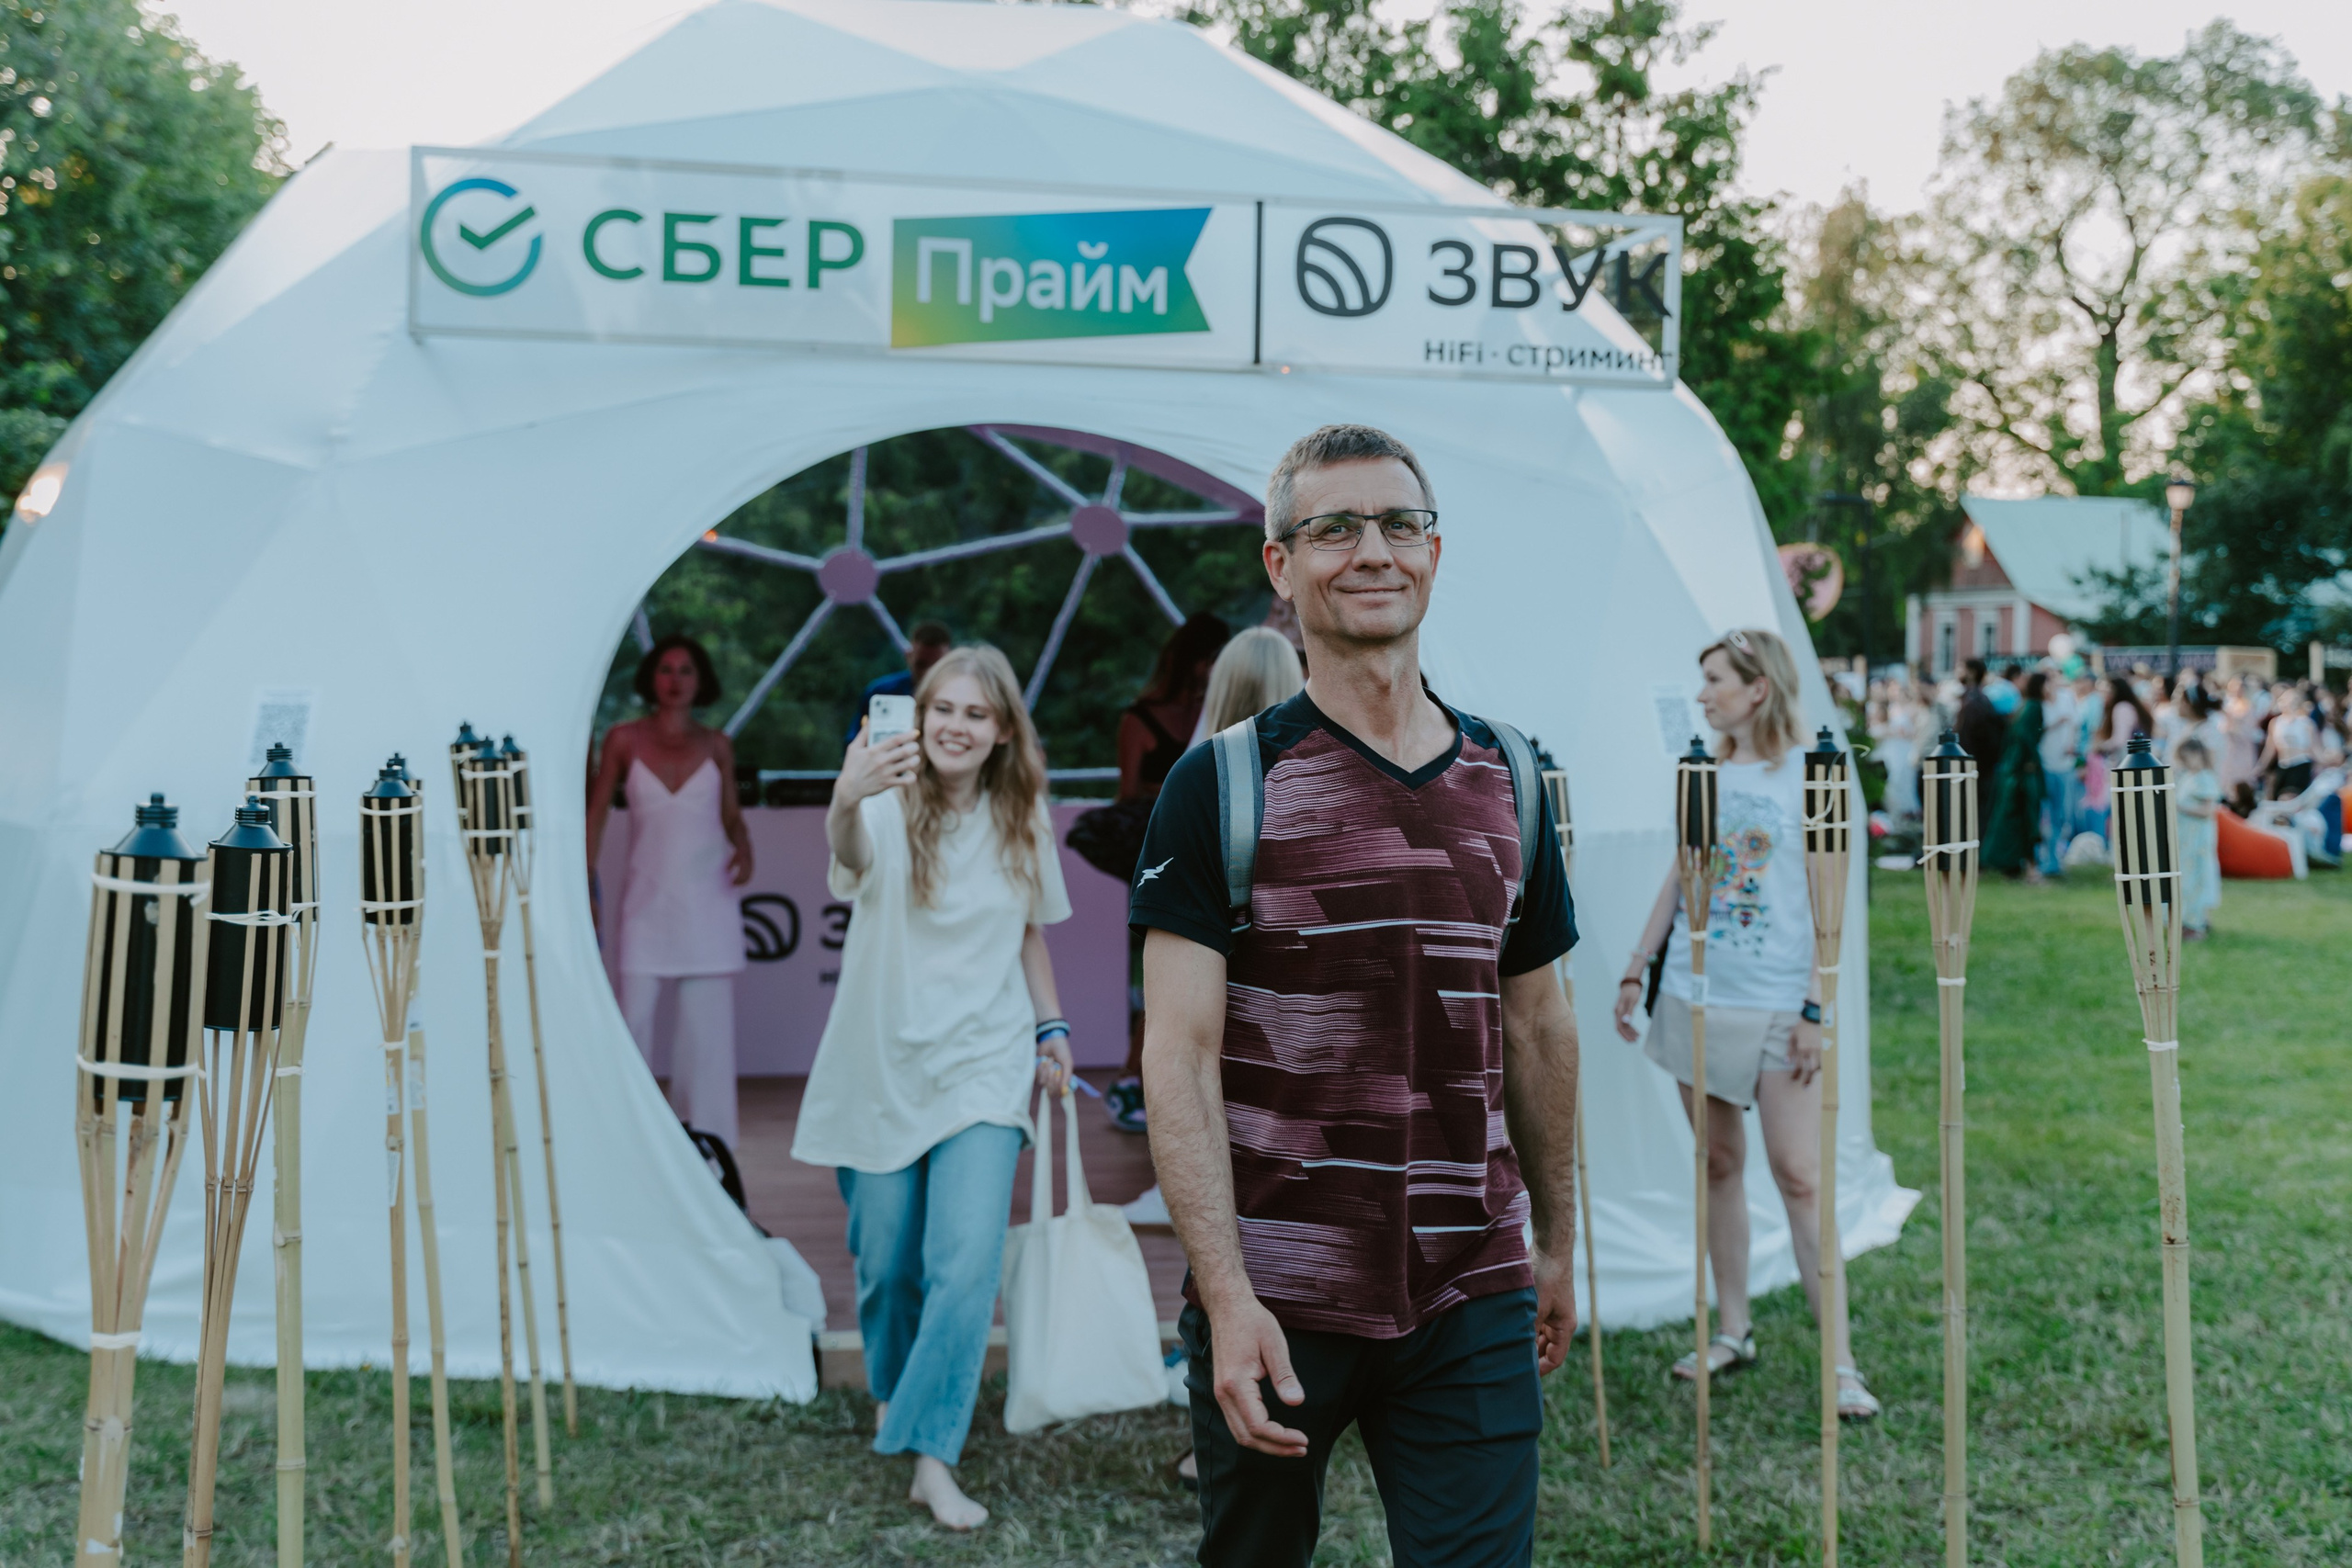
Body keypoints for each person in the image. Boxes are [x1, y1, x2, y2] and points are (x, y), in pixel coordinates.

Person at [1133, 423, 1579, 1567]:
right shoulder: (1222, 785)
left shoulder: (1513, 776)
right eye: (1333, 527)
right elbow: (1175, 1060)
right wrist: (1225, 1300)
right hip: (1278, 1290)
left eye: (1398, 524)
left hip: (1469, 1285)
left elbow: (1535, 1026)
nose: (1371, 550)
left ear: (1435, 553)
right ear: (1281, 567)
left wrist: (1557, 1238)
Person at [792, 643, 1075, 1531]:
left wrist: (1053, 1027)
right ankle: (894, 1390)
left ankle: (931, 1455)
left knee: (963, 1268)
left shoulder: (1024, 816)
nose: (955, 725)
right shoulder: (880, 799)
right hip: (878, 1067)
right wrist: (846, 793)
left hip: (984, 1069)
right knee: (886, 1264)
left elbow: (1028, 932)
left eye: (975, 714)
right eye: (941, 708)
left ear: (1000, 732)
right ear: (919, 718)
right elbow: (847, 854)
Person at [1612, 626, 1880, 1420]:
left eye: (1716, 680)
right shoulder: (1706, 771)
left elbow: (1831, 902)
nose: (1703, 695)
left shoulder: (1813, 773)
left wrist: (1813, 1006)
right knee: (1718, 1162)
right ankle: (1734, 1329)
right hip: (1697, 996)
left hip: (1776, 1004)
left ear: (1758, 687)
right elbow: (1682, 873)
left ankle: (1840, 1363)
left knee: (1800, 1175)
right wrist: (1638, 963)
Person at [588, 635, 753, 1148]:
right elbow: (595, 815)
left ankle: (710, 1154)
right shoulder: (622, 739)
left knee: (707, 1044)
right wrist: (583, 879)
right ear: (650, 678)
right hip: (646, 903)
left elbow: (729, 814)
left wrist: (744, 845)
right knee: (632, 1022)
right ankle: (626, 1144)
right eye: (666, 669)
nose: (675, 680)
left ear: (700, 679)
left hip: (709, 901)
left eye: (685, 670)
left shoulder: (717, 744)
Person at [1099, 612, 1231, 1134]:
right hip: (1156, 855)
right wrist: (1184, 792)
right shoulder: (1140, 716)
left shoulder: (1219, 712)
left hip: (1210, 852)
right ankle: (1138, 1076)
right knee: (1158, 968)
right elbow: (1127, 792)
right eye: (1207, 659)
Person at [1984, 671, 2049, 881]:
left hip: (2014, 770)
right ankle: (2030, 868)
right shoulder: (2033, 707)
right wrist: (2029, 763)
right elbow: (2025, 737)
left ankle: (2014, 866)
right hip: (2022, 773)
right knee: (2027, 819)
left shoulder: (2025, 705)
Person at [843, 620, 954, 743]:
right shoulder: (881, 692)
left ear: (948, 662)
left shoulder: (959, 697)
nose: (927, 674)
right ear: (908, 656)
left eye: (935, 666)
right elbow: (854, 741)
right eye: (921, 665)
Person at [2174, 737, 2222, 940]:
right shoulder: (2186, 777)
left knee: (2197, 876)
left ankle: (2196, 922)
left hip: (2198, 838)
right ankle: (2186, 918)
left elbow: (2207, 810)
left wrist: (2180, 808)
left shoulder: (2205, 778)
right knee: (2184, 877)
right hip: (2184, 837)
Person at [1954, 658, 2007, 828]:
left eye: (1961, 667)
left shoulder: (1975, 701)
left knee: (1974, 816)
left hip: (1975, 769)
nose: (1957, 672)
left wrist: (1970, 763)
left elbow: (1979, 738)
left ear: (1971, 672)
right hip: (1975, 767)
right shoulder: (1973, 698)